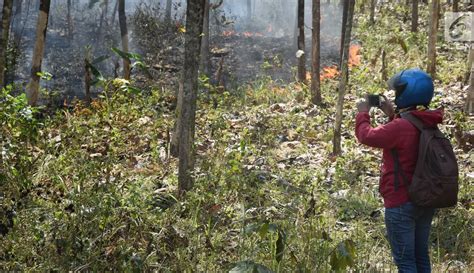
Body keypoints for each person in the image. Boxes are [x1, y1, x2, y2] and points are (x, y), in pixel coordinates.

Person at [355, 69, 442, 273]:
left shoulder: (401, 127)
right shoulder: (428, 121)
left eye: (397, 92)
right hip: (425, 198)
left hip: (401, 203)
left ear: (406, 94)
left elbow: (366, 135)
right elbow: (406, 132)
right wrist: (392, 113)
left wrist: (362, 112)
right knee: (421, 256)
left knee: (405, 263)